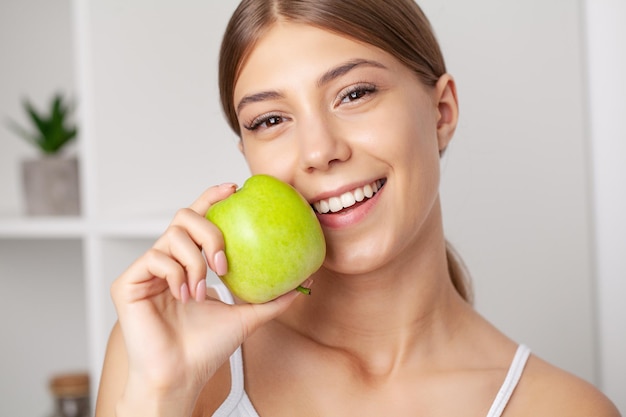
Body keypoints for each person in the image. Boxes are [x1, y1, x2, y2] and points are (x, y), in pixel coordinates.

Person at [95, 0, 621, 416]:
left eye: (354, 93)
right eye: (271, 120)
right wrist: (161, 395)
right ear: (247, 155)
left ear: (441, 112)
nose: (320, 151)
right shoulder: (169, 357)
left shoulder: (562, 409)